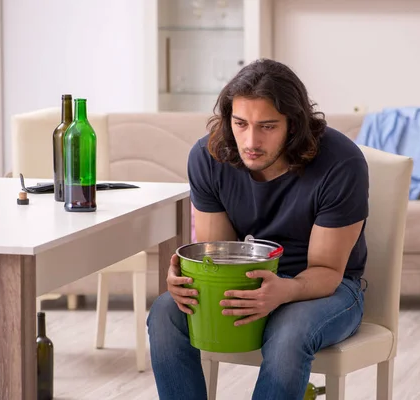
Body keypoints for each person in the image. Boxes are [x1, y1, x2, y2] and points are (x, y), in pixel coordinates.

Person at [147, 58, 369, 400]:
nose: (250, 141)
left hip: (327, 289)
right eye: (240, 124)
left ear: (293, 125)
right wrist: (187, 280)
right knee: (164, 312)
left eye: (267, 126)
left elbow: (327, 271)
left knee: (290, 331)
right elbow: (216, 255)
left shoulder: (341, 163)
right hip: (247, 281)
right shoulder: (209, 157)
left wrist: (284, 290)